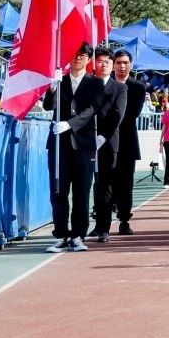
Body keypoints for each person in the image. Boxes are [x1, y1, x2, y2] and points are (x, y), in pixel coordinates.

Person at [43, 45, 105, 253]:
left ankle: (78, 235)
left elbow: (93, 108)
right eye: (75, 54)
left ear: (88, 59)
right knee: (58, 190)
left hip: (84, 145)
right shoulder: (61, 81)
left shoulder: (95, 83)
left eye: (83, 55)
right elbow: (48, 106)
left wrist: (70, 124)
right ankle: (61, 234)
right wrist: (52, 88)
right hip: (59, 145)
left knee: (81, 191)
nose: (78, 58)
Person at [89, 47, 128, 243]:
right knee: (85, 185)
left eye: (107, 61)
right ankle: (86, 226)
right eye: (99, 61)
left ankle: (103, 228)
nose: (103, 64)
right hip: (85, 141)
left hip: (108, 142)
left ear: (112, 65)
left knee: (104, 186)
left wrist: (102, 137)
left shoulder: (119, 88)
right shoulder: (87, 85)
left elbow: (117, 114)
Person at [111, 50, 145, 235]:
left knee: (125, 183)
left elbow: (133, 112)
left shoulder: (137, 87)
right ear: (113, 65)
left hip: (127, 141)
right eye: (118, 63)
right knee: (104, 182)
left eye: (125, 63)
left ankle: (124, 219)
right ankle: (101, 222)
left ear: (131, 65)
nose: (122, 66)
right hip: (105, 140)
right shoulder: (104, 83)